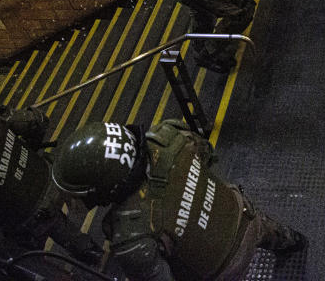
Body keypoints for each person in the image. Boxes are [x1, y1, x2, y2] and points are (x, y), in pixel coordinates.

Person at [52, 119, 306, 281]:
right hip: (244, 216)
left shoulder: (129, 234)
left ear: (106, 186)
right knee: (264, 226)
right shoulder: (167, 136)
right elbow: (207, 154)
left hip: (224, 268)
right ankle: (294, 242)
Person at [0, 99, 101, 278]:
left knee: (20, 259)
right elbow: (38, 120)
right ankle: (91, 252)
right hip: (46, 177)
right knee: (55, 221)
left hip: (25, 218)